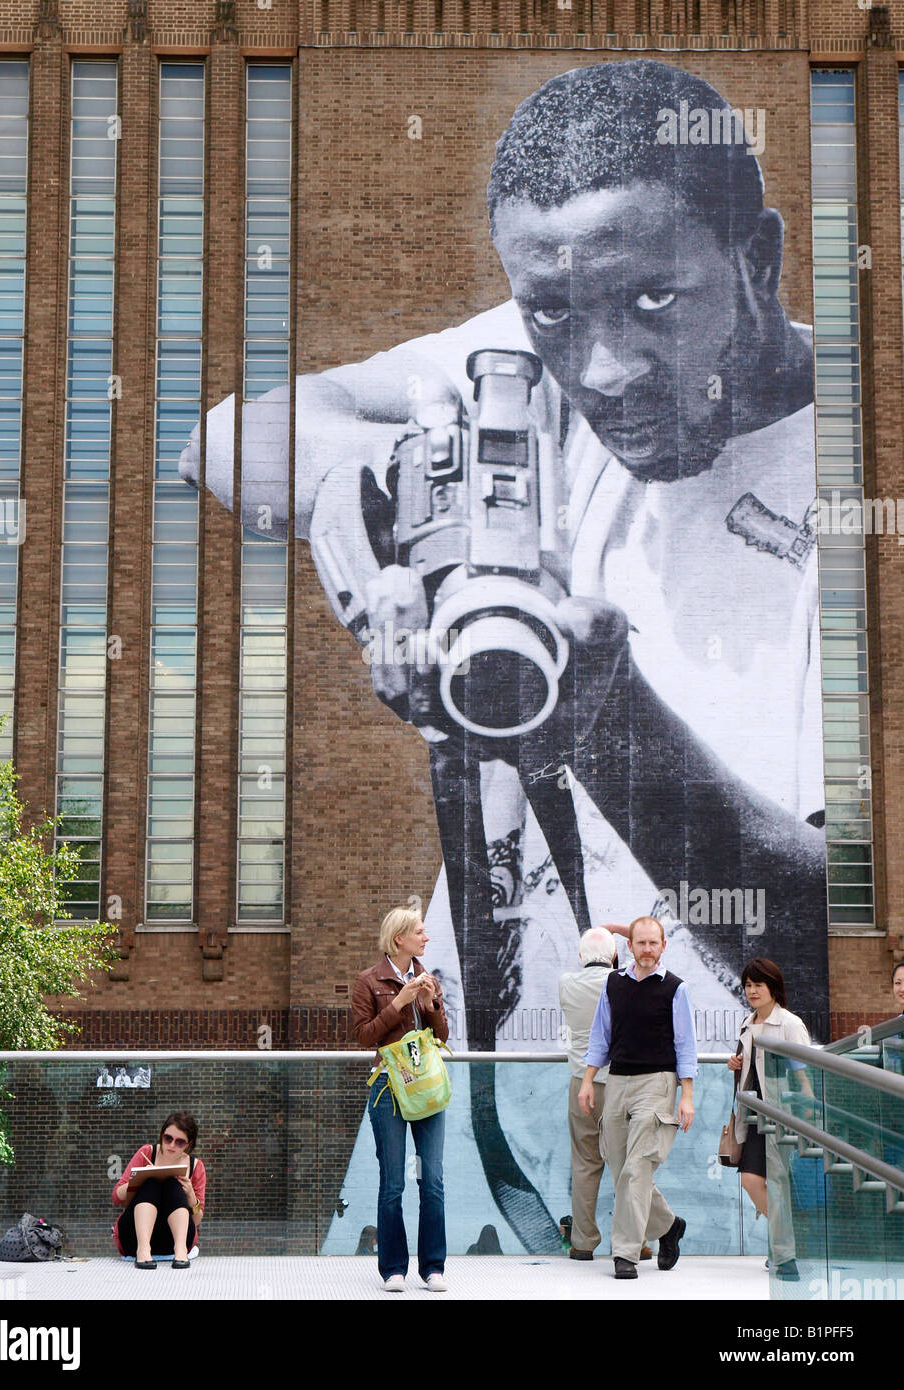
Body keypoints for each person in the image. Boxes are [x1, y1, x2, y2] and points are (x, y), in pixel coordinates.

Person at [184, 58, 827, 1252]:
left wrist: (611, 730)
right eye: (550, 314)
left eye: (653, 305)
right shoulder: (536, 352)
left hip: (720, 1147)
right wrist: (350, 502)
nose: (597, 372)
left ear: (760, 259)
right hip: (474, 1123)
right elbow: (224, 434)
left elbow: (830, 947)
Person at [579, 915, 696, 1279]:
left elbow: (685, 1045)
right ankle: (669, 1225)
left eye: (653, 943)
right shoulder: (613, 984)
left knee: (638, 1166)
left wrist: (686, 1095)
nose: (647, 949)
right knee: (621, 1169)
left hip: (658, 1084)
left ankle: (625, 1254)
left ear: (663, 946)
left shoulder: (676, 988)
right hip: (617, 1083)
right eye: (641, 943)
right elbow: (600, 1037)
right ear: (629, 946)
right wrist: (588, 1080)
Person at [351, 906, 449, 1291]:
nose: (426, 938)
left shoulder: (428, 980)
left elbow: (443, 1036)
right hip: (388, 1088)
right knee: (393, 1181)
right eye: (420, 932)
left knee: (432, 1179)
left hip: (427, 1088)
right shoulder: (368, 981)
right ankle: (393, 1268)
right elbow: (363, 1036)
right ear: (399, 939)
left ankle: (433, 1267)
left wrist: (429, 1006)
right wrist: (397, 1003)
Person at [728, 958, 812, 1281]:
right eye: (748, 985)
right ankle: (786, 1241)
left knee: (775, 1183)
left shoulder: (789, 1024)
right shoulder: (747, 1025)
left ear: (773, 987)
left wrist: (805, 1108)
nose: (752, 991)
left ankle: (785, 1255)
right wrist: (735, 1063)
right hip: (752, 1114)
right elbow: (751, 1068)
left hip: (780, 1113)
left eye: (758, 985)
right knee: (751, 1180)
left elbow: (803, 1072)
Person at [559, 924, 628, 1260]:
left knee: (585, 1164)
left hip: (580, 1084)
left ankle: (583, 1243)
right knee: (627, 1164)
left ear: (579, 956)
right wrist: (616, 930)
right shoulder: (624, 983)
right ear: (615, 955)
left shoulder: (566, 984)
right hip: (619, 1083)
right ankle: (634, 1240)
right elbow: (650, 955)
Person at [111, 1111, 206, 1269]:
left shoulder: (196, 1166)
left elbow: (196, 1220)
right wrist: (140, 1178)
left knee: (172, 1183)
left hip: (174, 1239)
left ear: (188, 1144)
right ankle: (143, 1250)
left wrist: (190, 1194)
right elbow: (116, 1197)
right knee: (151, 1182)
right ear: (162, 1135)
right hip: (135, 1236)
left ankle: (181, 1251)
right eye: (168, 1138)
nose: (171, 1145)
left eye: (179, 1142)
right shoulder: (147, 1153)